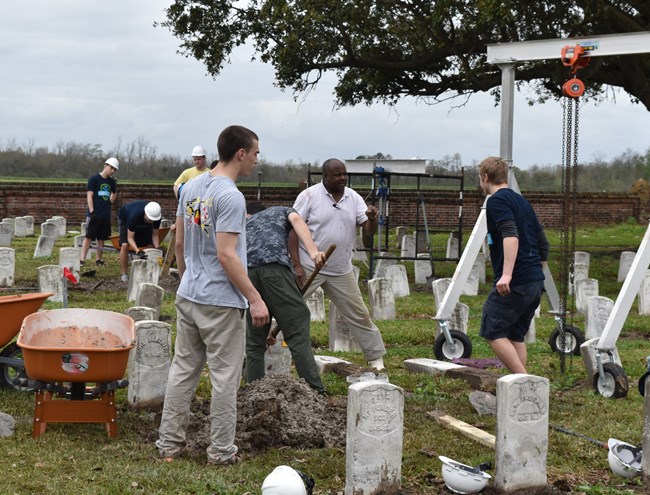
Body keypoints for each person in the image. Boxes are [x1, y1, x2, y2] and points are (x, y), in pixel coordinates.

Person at [156, 125, 269, 465]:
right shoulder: (231, 196)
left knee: (182, 370)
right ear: (240, 153)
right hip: (220, 301)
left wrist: (190, 278)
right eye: (255, 153)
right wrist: (255, 298)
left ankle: (168, 445)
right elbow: (226, 254)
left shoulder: (190, 187)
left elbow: (178, 242)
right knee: (224, 378)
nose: (256, 160)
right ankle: (221, 452)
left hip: (190, 294)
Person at [291, 158, 387, 370]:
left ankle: (375, 358)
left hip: (340, 269)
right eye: (337, 175)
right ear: (325, 177)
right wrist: (296, 265)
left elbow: (368, 232)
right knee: (288, 307)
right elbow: (293, 230)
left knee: (359, 314)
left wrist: (371, 219)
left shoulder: (353, 198)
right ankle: (269, 348)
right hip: (309, 265)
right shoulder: (309, 196)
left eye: (344, 174)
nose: (342, 178)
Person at [245, 202, 327, 393]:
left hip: (247, 274)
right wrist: (313, 251)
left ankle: (253, 392)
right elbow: (296, 219)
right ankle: (316, 391)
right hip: (274, 269)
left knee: (256, 340)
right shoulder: (280, 210)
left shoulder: (246, 223)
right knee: (298, 324)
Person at [478, 156, 549, 374]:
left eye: (480, 179)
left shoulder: (496, 201)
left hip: (516, 281)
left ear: (486, 177)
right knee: (515, 335)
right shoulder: (522, 202)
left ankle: (524, 381)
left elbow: (510, 235)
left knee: (492, 329)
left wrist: (507, 275)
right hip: (534, 281)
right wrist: (537, 273)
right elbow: (543, 243)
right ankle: (521, 389)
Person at [79, 157, 118, 266]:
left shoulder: (111, 182)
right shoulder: (94, 179)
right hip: (94, 214)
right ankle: (82, 259)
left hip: (105, 215)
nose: (113, 171)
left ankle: (98, 259)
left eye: (115, 169)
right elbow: (89, 196)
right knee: (89, 236)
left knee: (102, 238)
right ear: (105, 166)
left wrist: (109, 202)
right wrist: (92, 211)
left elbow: (114, 193)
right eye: (111, 168)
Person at [117, 200, 162, 282]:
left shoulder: (156, 217)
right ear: (145, 213)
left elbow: (155, 235)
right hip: (125, 217)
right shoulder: (134, 216)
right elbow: (130, 238)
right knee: (125, 245)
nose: (152, 222)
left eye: (153, 220)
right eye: (150, 219)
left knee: (150, 244)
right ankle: (124, 274)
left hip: (141, 219)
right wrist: (138, 251)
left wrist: (157, 248)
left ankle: (151, 272)